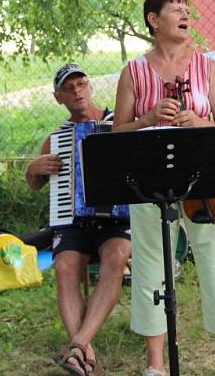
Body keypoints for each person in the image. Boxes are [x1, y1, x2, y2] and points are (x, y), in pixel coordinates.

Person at [113, 0, 215, 376]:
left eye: (187, 9)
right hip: (148, 182)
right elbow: (118, 131)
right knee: (149, 265)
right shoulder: (134, 72)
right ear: (154, 20)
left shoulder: (207, 68)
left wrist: (199, 122)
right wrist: (148, 119)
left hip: (203, 183)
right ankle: (155, 365)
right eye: (176, 9)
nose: (185, 15)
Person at [25, 63, 132, 376]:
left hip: (116, 220)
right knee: (65, 267)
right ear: (58, 97)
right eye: (68, 88)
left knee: (115, 258)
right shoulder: (57, 138)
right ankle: (87, 353)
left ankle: (77, 346)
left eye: (81, 84)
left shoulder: (120, 124)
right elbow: (34, 184)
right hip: (72, 221)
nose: (77, 91)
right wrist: (33, 168)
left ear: (90, 87)